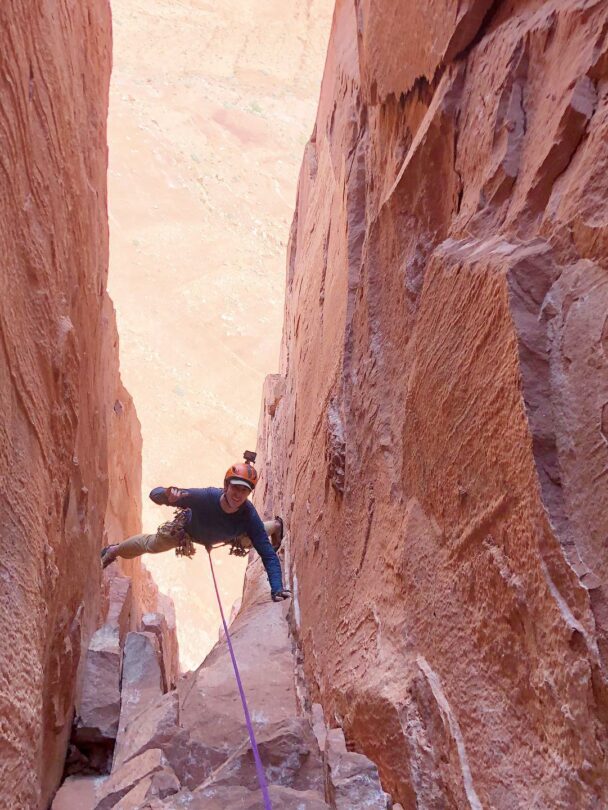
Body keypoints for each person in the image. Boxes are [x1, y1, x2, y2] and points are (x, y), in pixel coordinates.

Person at [101, 453, 291, 602]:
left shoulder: (248, 515)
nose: (238, 495)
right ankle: (114, 550)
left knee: (252, 540)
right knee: (153, 544)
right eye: (235, 488)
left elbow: (267, 553)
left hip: (229, 535)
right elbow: (154, 494)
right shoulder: (205, 497)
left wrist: (277, 588)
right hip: (188, 532)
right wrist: (168, 495)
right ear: (226, 486)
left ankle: (275, 526)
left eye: (244, 490)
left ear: (249, 493)